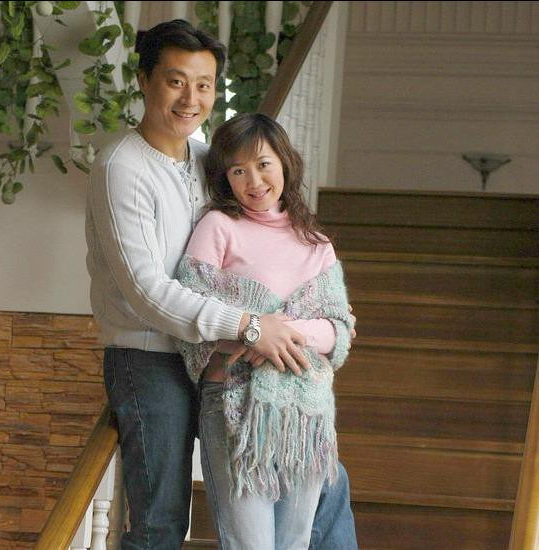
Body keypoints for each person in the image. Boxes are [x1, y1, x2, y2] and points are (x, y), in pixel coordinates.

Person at [85, 18, 357, 550]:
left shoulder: (207, 157)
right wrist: (252, 326)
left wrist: (322, 322)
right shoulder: (121, 166)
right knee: (162, 519)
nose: (191, 98)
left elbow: (262, 235)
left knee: (329, 482)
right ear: (143, 80)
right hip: (151, 357)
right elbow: (146, 289)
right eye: (175, 81)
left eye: (204, 84)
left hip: (223, 358)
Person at [175, 112, 355, 549]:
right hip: (232, 405)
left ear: (285, 163)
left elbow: (337, 330)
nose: (253, 181)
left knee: (293, 544)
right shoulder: (218, 227)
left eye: (263, 164)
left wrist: (277, 334)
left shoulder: (315, 243)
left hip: (304, 415)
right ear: (225, 177)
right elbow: (190, 314)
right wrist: (253, 332)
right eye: (238, 171)